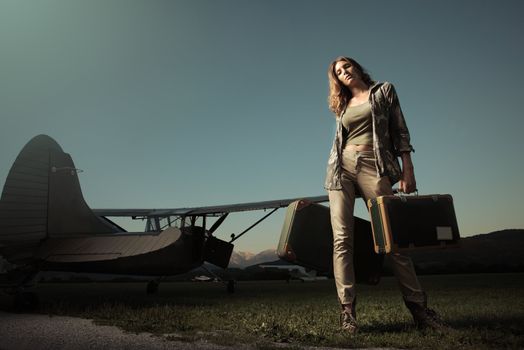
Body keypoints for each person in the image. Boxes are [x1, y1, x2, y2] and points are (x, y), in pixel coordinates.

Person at [324, 56, 446, 333]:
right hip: (340, 169)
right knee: (342, 240)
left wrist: (407, 170)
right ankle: (348, 314)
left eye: (347, 67)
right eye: (339, 72)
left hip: (374, 165)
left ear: (357, 67)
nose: (344, 73)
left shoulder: (384, 90)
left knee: (393, 238)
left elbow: (400, 131)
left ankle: (420, 311)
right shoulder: (341, 105)